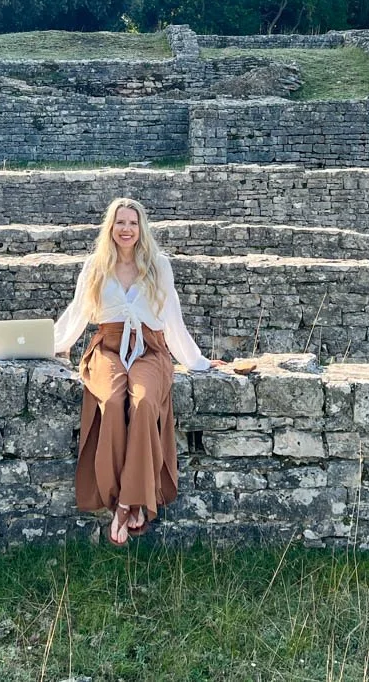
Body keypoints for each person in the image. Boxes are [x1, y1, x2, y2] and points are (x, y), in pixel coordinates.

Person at [54, 197, 215, 546]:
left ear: (141, 228)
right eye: (119, 222)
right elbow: (77, 314)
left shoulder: (158, 265)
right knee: (111, 402)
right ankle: (119, 497)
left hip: (150, 350)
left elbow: (172, 320)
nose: (126, 229)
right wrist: (50, 345)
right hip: (108, 348)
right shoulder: (96, 266)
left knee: (143, 404)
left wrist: (197, 361)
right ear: (109, 228)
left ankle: (129, 501)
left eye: (132, 222)